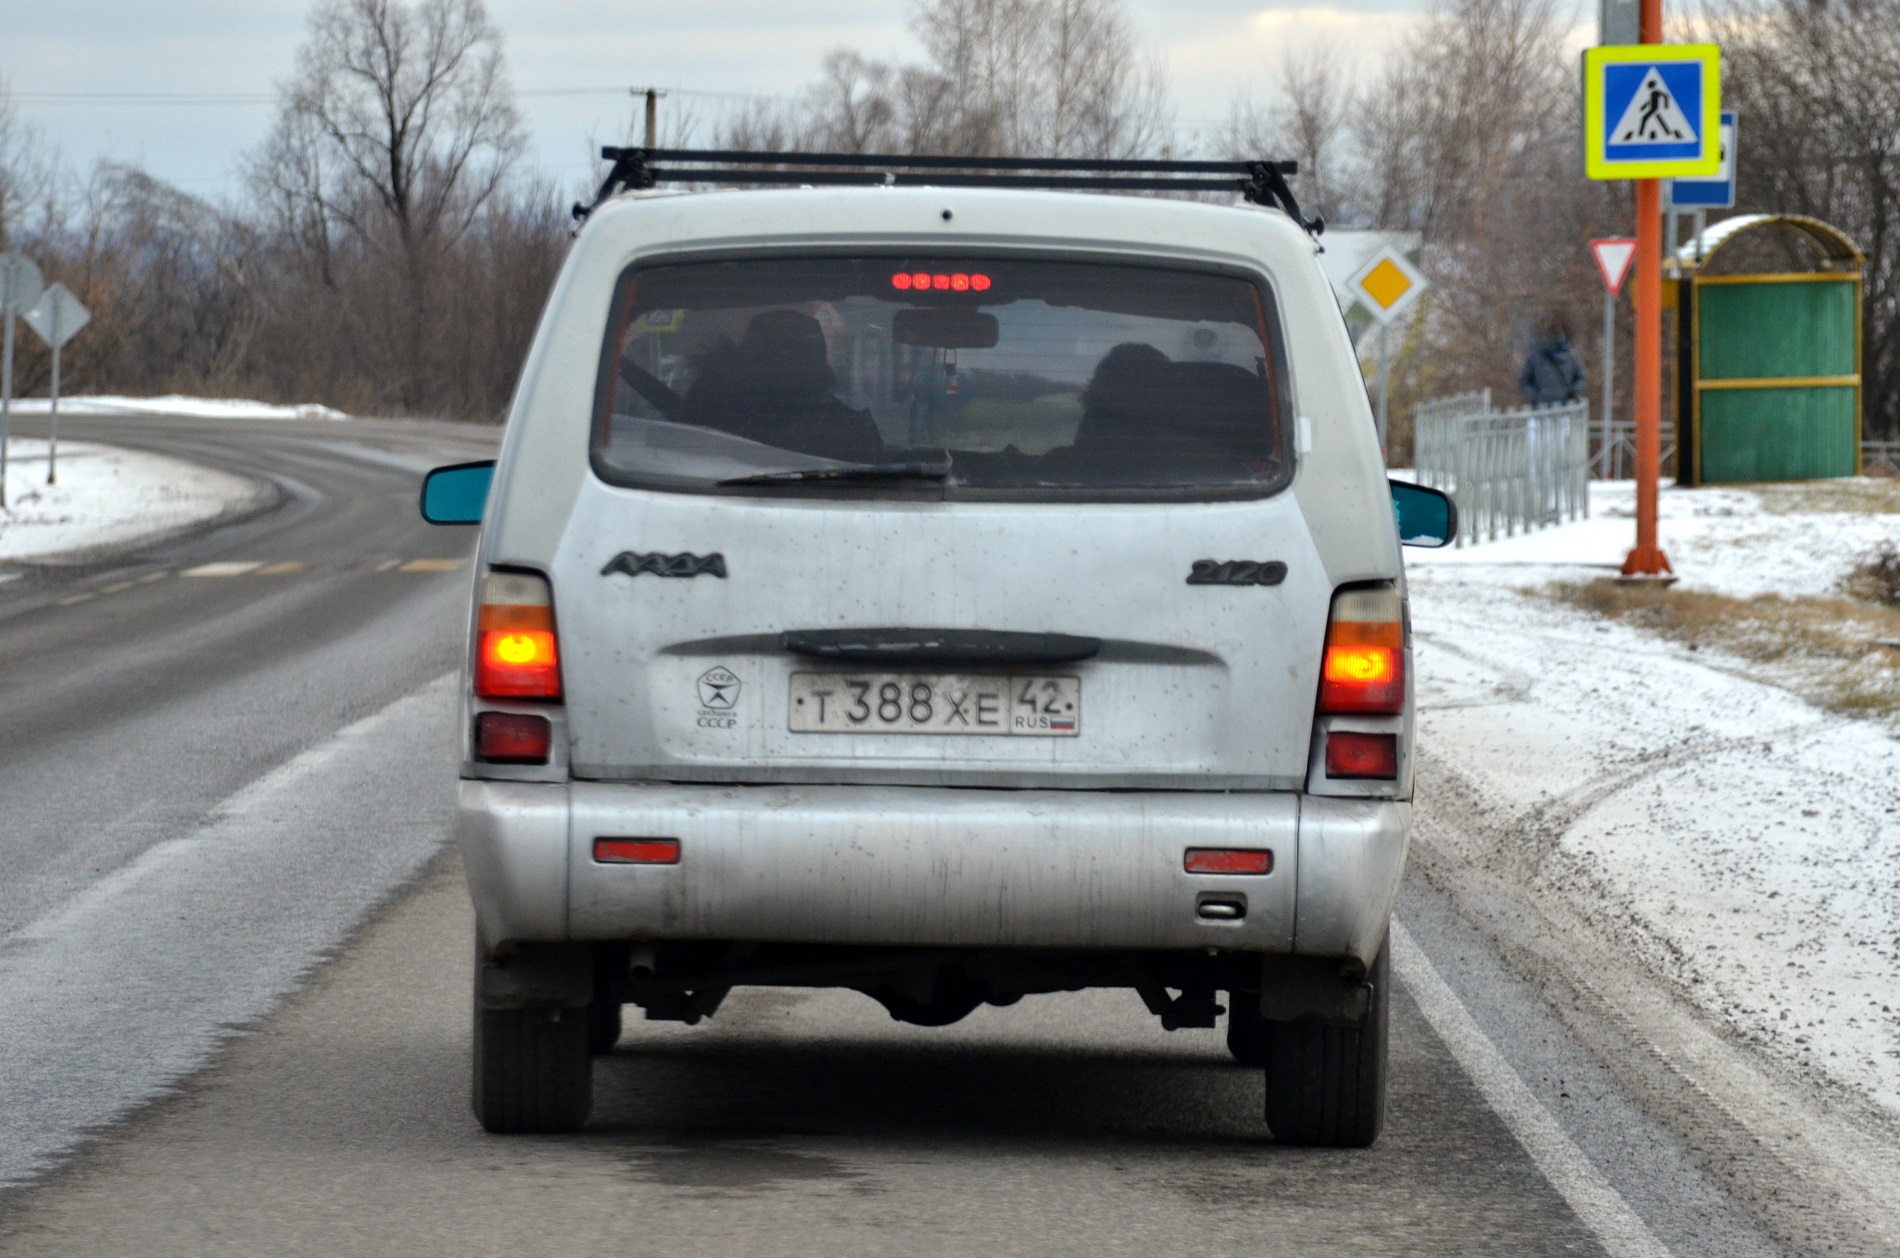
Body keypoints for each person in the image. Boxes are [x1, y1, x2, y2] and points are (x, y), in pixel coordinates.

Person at [1517, 320, 1587, 407]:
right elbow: (1524, 381)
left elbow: (1581, 377)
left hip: (1566, 407)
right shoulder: (1534, 357)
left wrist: (1573, 392)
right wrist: (1535, 397)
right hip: (1543, 408)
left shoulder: (1571, 356)